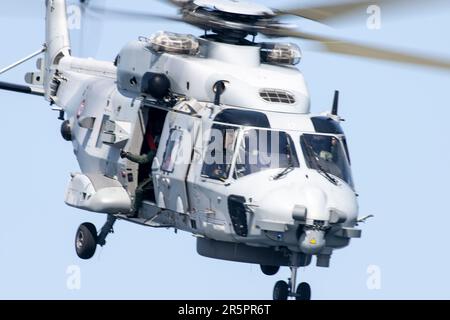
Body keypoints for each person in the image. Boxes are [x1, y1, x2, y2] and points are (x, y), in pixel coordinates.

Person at [120, 129, 158, 217]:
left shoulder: (154, 152)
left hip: (155, 176)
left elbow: (142, 160)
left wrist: (127, 155)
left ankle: (135, 212)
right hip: (155, 175)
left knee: (139, 190)